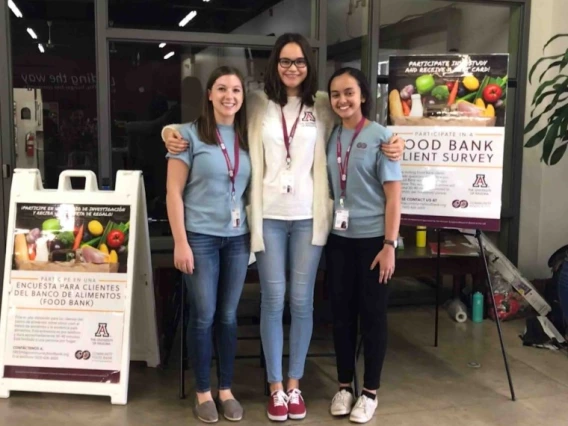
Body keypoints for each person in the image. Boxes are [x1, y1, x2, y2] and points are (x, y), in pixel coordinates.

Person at [161, 33, 405, 422]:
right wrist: (167, 133)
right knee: (273, 301)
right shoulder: (255, 102)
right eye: (285, 61)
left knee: (302, 302)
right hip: (268, 217)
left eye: (300, 62)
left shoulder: (323, 104)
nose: (293, 68)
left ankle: (295, 386)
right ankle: (275, 388)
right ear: (275, 65)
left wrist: (395, 142)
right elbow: (207, 123)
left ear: (309, 66)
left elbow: (357, 122)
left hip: (309, 217)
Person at [165, 66, 251, 424]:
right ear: (210, 95)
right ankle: (203, 391)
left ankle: (226, 388)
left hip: (237, 239)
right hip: (198, 238)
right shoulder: (187, 135)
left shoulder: (247, 135)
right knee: (204, 316)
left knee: (229, 316)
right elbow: (173, 192)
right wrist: (180, 242)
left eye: (236, 89)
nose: (229, 96)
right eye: (222, 89)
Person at [324, 67, 402, 424]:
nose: (343, 100)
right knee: (341, 316)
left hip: (374, 242)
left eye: (349, 93)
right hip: (338, 240)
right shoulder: (331, 136)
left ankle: (369, 392)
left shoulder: (382, 136)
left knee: (372, 317)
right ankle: (344, 386)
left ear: (364, 96)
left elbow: (393, 197)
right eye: (336, 94)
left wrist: (389, 245)